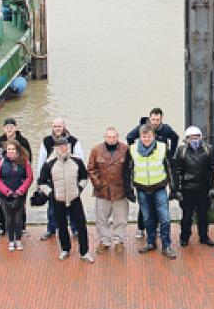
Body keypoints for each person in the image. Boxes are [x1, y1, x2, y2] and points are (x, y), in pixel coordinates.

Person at [126, 108, 179, 240]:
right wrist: (138, 148)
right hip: (143, 182)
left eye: (157, 120)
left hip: (158, 178)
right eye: (153, 119)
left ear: (161, 119)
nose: (155, 122)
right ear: (149, 118)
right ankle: (141, 228)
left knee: (161, 210)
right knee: (145, 210)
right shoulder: (141, 129)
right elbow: (129, 137)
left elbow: (175, 138)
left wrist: (171, 153)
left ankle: (161, 233)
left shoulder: (165, 130)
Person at [37, 137, 93, 263]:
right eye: (60, 146)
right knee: (61, 226)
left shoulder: (77, 161)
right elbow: (41, 182)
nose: (63, 148)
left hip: (74, 198)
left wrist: (79, 188)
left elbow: (84, 177)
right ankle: (65, 249)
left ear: (68, 146)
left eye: (65, 146)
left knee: (81, 226)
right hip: (58, 199)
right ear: (55, 148)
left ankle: (84, 252)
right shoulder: (49, 163)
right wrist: (50, 193)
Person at [86, 127, 133, 255]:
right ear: (105, 137)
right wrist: (98, 184)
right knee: (101, 219)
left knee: (121, 219)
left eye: (114, 137)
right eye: (109, 137)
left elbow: (131, 169)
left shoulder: (126, 149)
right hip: (102, 191)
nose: (111, 139)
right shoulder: (96, 150)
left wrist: (129, 188)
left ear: (118, 137)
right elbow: (91, 169)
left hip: (120, 190)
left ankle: (119, 241)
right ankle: (104, 241)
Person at [38, 118, 84, 241]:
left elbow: (80, 160)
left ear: (64, 127)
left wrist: (79, 184)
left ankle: (75, 230)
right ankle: (51, 229)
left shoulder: (74, 141)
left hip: (71, 180)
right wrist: (41, 181)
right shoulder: (46, 141)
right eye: (55, 126)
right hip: (53, 180)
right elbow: (42, 161)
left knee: (73, 207)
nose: (57, 129)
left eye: (59, 126)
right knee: (52, 209)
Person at [171, 125, 214, 247]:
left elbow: (212, 170)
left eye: (196, 137)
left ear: (201, 137)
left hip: (203, 188)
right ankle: (184, 237)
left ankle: (204, 237)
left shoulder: (208, 150)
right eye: (191, 138)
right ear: (186, 139)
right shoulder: (182, 151)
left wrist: (213, 187)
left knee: (203, 215)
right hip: (187, 189)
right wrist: (177, 190)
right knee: (187, 215)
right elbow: (176, 171)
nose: (194, 140)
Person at [0, 118, 32, 237]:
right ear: (3, 128)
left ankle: (22, 227)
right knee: (2, 205)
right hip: (2, 179)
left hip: (19, 179)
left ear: (16, 128)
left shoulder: (23, 142)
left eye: (12, 126)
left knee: (21, 204)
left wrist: (26, 177)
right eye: (7, 127)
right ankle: (2, 227)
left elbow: (29, 158)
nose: (9, 129)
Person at [0, 139, 33, 252]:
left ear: (17, 150)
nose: (10, 151)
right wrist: (6, 191)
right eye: (9, 149)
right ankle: (11, 240)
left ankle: (18, 239)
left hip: (19, 193)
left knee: (18, 218)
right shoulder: (0, 161)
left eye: (13, 149)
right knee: (8, 218)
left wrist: (21, 190)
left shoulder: (24, 161)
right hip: (5, 195)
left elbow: (29, 177)